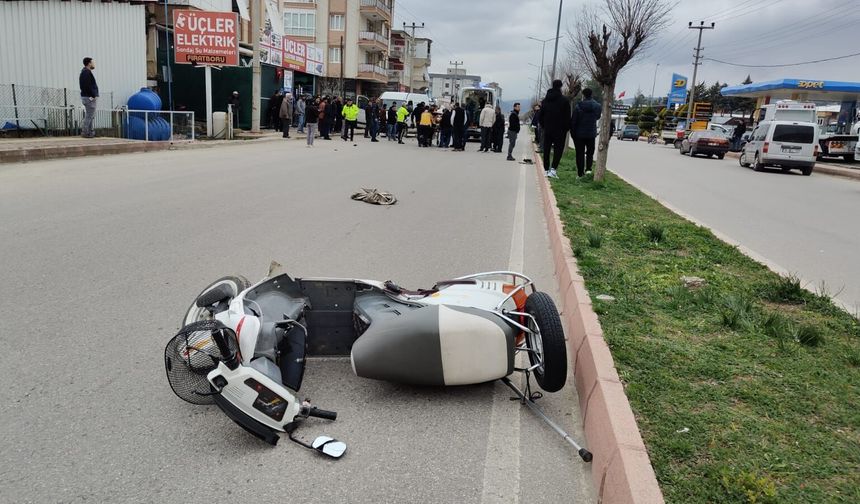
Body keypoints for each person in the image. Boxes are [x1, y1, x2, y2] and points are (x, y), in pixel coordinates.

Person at [539, 79, 571, 178]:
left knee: (547, 149)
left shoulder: (545, 101)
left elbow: (541, 115)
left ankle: (545, 169)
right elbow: (567, 117)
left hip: (548, 129)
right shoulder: (565, 100)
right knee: (558, 150)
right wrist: (566, 128)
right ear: (561, 87)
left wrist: (544, 126)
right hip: (560, 130)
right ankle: (553, 170)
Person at [570, 88, 602, 177]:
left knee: (579, 153)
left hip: (579, 134)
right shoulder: (597, 106)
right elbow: (598, 117)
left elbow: (574, 121)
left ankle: (580, 173)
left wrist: (573, 134)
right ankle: (588, 169)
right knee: (590, 152)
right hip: (591, 133)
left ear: (583, 95)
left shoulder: (578, 106)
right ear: (592, 94)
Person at [79, 57, 99, 138]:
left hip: (86, 96)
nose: (93, 64)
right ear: (89, 63)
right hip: (89, 97)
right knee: (89, 115)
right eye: (92, 62)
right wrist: (93, 95)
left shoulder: (84, 72)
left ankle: (90, 132)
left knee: (90, 115)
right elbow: (88, 85)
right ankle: (85, 132)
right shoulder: (86, 73)